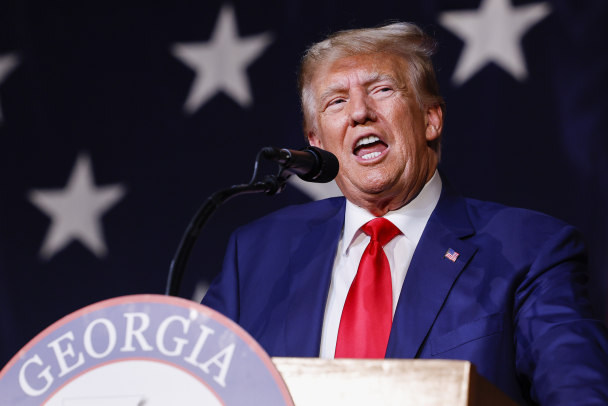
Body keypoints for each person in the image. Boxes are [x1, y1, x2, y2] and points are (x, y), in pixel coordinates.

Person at [201, 22, 608, 405]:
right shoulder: (255, 255)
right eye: (336, 101)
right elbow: (194, 388)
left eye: (381, 89)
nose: (359, 112)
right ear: (316, 140)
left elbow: (579, 393)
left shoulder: (528, 250)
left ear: (431, 119)